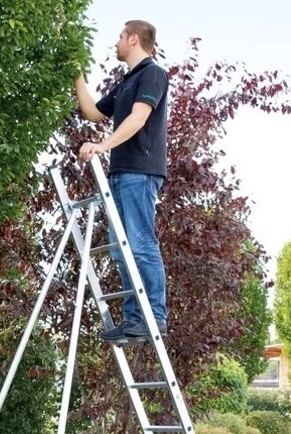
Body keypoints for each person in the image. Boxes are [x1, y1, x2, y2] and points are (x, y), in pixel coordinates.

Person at [73, 19, 170, 340]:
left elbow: (139, 118)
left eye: (118, 36)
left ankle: (155, 316)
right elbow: (93, 112)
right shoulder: (126, 81)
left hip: (140, 172)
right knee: (121, 250)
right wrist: (76, 74)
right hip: (120, 173)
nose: (115, 42)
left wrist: (101, 145)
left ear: (132, 39)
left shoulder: (152, 74)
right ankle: (133, 319)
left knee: (141, 245)